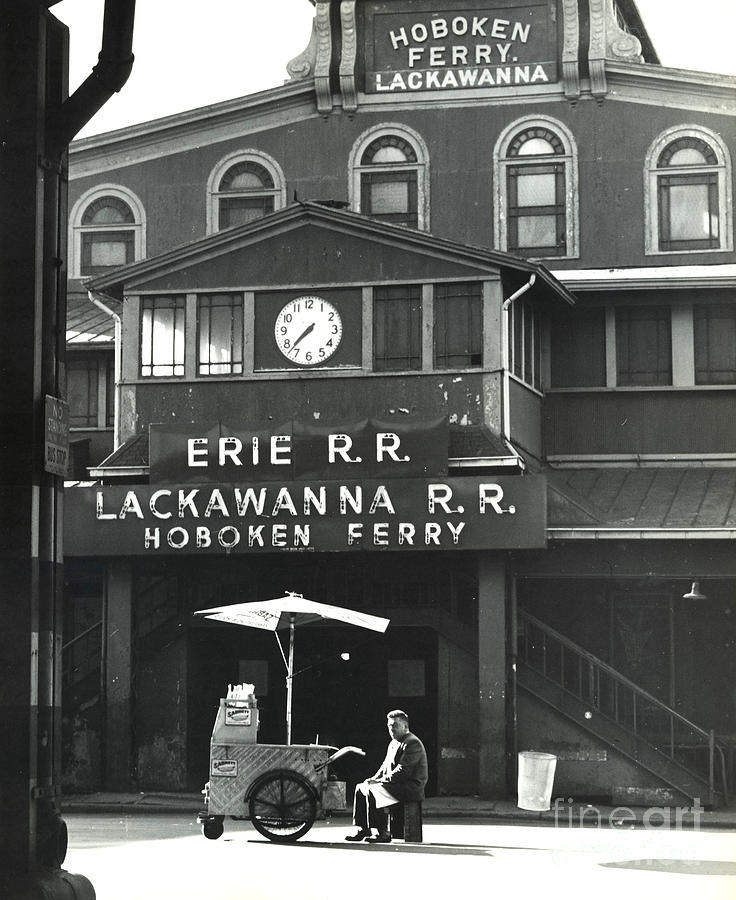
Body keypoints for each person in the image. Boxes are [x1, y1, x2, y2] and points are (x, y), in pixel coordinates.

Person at [345, 709, 428, 843]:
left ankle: (383, 832)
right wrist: (373, 778)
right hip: (397, 784)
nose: (391, 729)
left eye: (395, 725)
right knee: (361, 788)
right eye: (389, 726)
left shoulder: (412, 743)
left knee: (374, 790)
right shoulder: (394, 742)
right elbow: (384, 766)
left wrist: (379, 781)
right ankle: (363, 829)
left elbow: (403, 771)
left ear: (405, 726)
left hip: (410, 787)